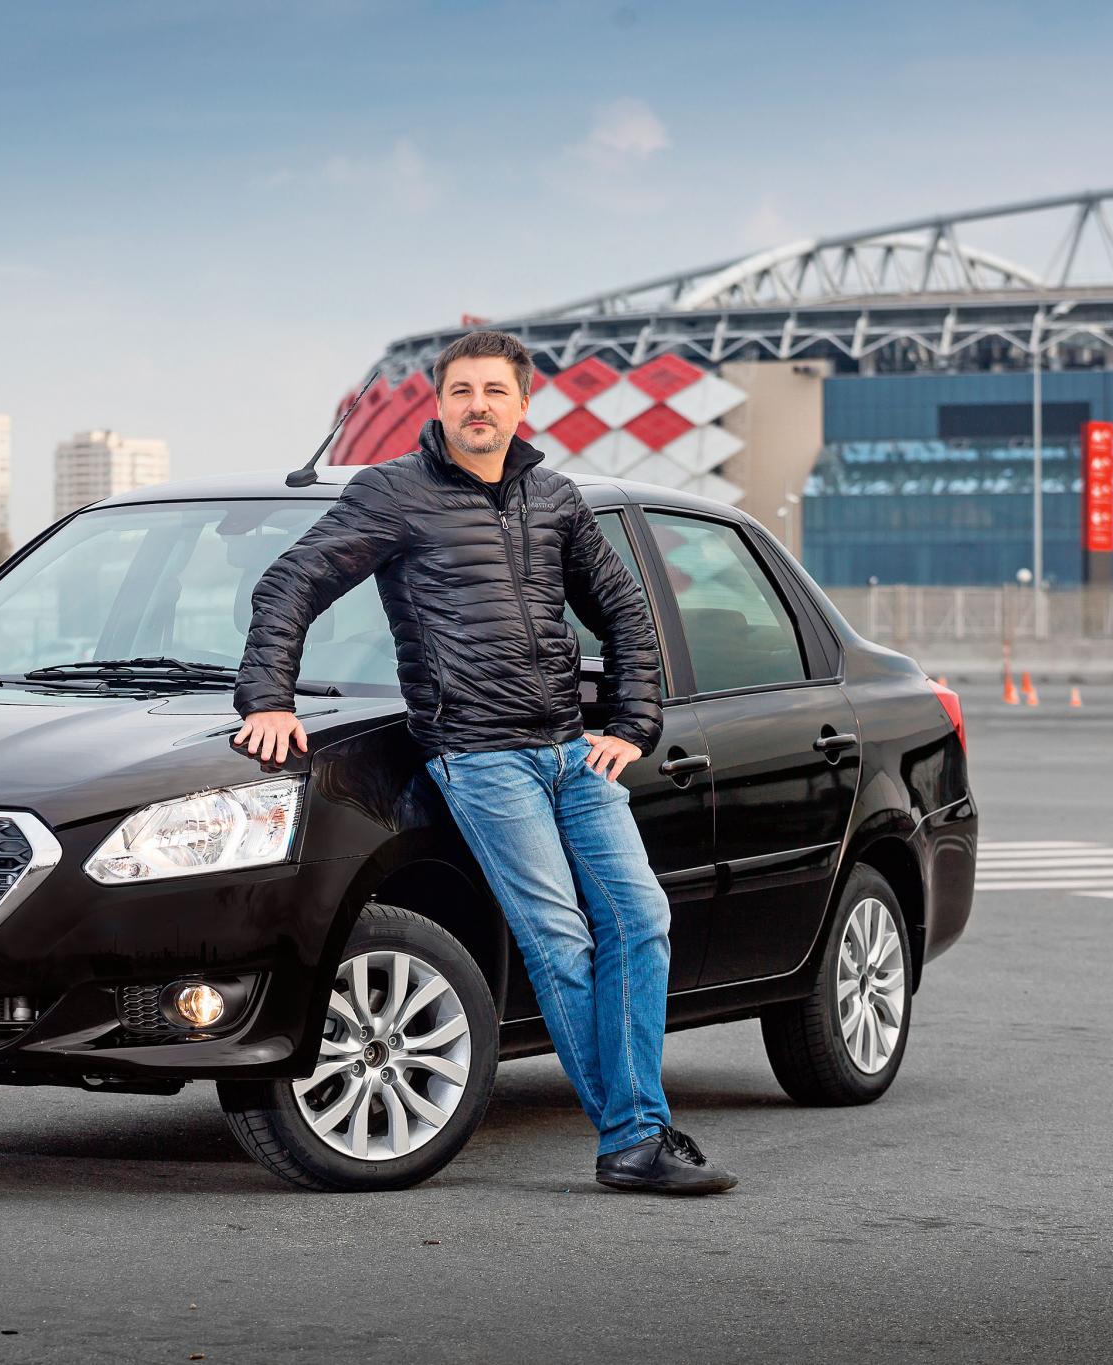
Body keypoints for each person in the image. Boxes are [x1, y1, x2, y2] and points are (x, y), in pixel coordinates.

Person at [232, 329, 738, 1195]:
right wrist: (268, 699)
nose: (478, 405)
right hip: (479, 756)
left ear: (522, 403)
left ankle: (637, 1129)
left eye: (494, 391)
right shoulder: (393, 491)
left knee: (641, 918)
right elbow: (293, 581)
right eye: (461, 390)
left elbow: (626, 611)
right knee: (559, 936)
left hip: (573, 753)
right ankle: (634, 1136)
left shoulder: (555, 497)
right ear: (438, 403)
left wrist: (631, 722)